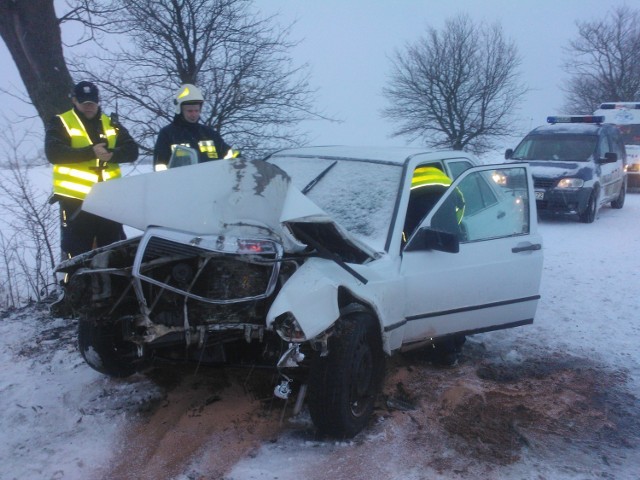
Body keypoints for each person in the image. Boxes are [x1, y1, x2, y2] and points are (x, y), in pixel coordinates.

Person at [45, 80, 139, 259]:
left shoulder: (111, 123)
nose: (89, 106)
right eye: (84, 102)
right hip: (76, 203)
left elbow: (132, 151)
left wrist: (113, 154)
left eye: (92, 102)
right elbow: (53, 153)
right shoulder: (61, 122)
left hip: (109, 200)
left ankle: (113, 285)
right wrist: (90, 152)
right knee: (76, 255)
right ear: (74, 101)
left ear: (98, 102)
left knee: (115, 252)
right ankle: (73, 286)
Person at [153, 84, 237, 171]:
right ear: (180, 110)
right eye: (189, 111)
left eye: (196, 110)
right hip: (181, 183)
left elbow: (229, 154)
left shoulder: (209, 133)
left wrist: (238, 158)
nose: (194, 114)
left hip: (212, 182)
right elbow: (160, 167)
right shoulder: (167, 134)